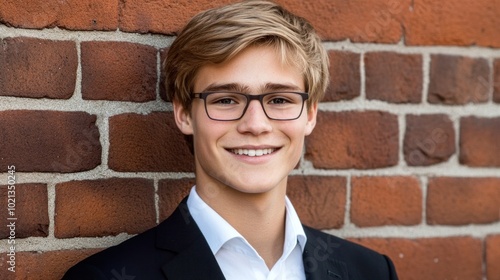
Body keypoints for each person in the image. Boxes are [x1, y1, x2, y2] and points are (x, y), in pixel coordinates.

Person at [63, 1, 399, 279]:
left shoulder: (371, 272)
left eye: (280, 100)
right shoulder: (103, 277)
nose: (256, 124)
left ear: (309, 114)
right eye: (225, 100)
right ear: (183, 114)